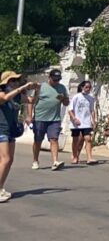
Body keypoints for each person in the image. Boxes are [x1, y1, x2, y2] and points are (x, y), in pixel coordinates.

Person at [0, 71, 40, 203]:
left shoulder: (17, 96)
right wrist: (21, 88)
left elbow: (32, 101)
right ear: (6, 82)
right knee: (5, 159)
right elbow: (4, 99)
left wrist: (37, 90)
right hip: (1, 129)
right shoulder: (3, 93)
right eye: (13, 80)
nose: (16, 82)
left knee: (9, 160)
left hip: (11, 130)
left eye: (17, 80)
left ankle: (1, 187)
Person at [28, 69, 70, 171]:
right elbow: (31, 102)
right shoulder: (40, 87)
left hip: (54, 119)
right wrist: (29, 116)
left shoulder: (62, 88)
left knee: (54, 139)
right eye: (54, 80)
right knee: (38, 140)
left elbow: (66, 103)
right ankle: (35, 160)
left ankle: (55, 162)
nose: (56, 82)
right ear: (49, 78)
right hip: (40, 118)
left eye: (58, 80)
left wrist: (63, 99)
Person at [68, 80, 98, 164]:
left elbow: (92, 110)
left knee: (88, 139)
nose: (88, 89)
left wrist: (93, 121)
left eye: (89, 87)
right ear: (82, 87)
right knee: (75, 140)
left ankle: (89, 157)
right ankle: (74, 156)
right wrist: (74, 119)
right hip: (76, 123)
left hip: (86, 122)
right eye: (86, 87)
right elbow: (70, 110)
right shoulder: (76, 97)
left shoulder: (91, 98)